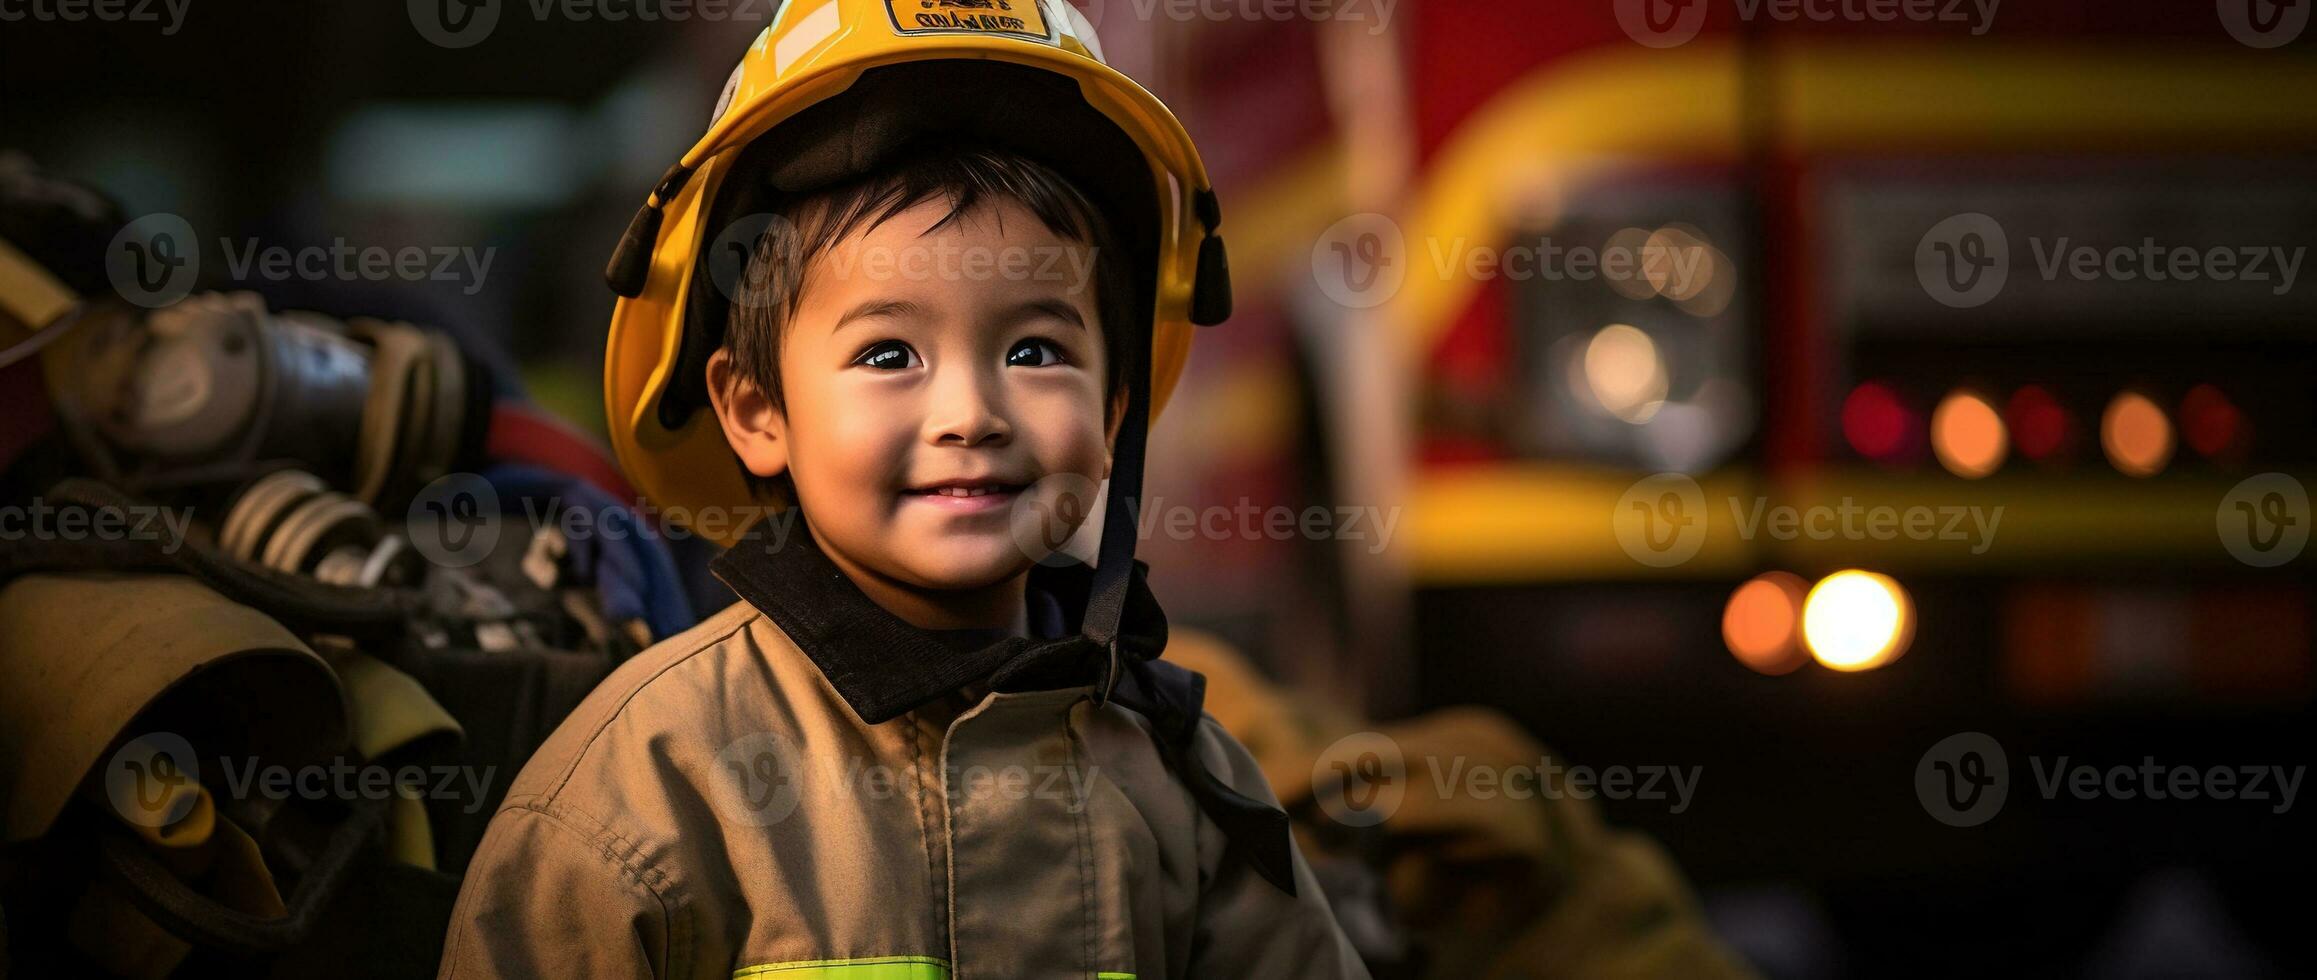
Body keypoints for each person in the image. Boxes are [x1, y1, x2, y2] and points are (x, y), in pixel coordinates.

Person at [437, 2, 1369, 977]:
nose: (970, 412)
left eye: (1034, 349)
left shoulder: (1186, 784)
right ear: (756, 411)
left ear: (1113, 410)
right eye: (889, 352)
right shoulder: (642, 791)